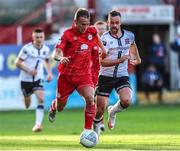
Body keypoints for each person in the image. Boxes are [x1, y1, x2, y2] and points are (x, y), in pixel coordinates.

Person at [48, 8, 107, 134]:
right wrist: (60, 58)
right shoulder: (67, 34)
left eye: (87, 24)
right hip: (66, 77)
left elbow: (97, 39)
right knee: (60, 107)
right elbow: (56, 53)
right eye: (82, 24)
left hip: (83, 75)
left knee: (91, 98)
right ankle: (54, 106)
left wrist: (103, 50)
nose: (85, 27)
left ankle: (87, 131)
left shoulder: (91, 31)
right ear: (75, 22)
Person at [93, 10, 141, 136]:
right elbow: (102, 62)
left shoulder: (129, 35)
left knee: (126, 101)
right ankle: (95, 134)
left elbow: (133, 44)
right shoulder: (104, 38)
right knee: (99, 109)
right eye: (111, 23)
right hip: (105, 76)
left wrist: (137, 58)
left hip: (121, 75)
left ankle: (113, 112)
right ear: (108, 23)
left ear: (120, 23)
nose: (114, 25)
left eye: (117, 23)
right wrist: (119, 60)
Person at [15, 28, 53, 132]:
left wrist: (49, 73)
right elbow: (17, 63)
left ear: (44, 37)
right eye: (37, 37)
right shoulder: (27, 48)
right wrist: (29, 70)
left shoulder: (46, 49)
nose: (39, 39)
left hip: (38, 78)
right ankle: (26, 96)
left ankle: (38, 125)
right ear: (33, 37)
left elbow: (46, 61)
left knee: (41, 98)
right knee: (27, 105)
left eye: (41, 37)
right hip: (25, 79)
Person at [92, 20, 107, 132]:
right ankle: (96, 121)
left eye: (103, 29)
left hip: (105, 74)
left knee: (102, 101)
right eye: (99, 29)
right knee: (92, 100)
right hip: (92, 74)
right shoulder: (91, 42)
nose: (101, 31)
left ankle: (99, 121)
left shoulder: (110, 42)